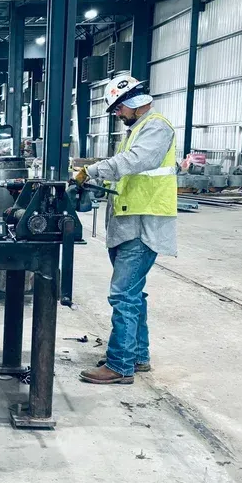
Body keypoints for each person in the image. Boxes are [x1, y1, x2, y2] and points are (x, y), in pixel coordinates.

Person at [74, 75, 177, 386]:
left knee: (122, 295)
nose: (117, 114)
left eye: (118, 108)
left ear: (131, 101)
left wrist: (91, 170)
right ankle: (137, 355)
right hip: (127, 221)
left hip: (144, 223)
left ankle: (120, 365)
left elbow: (135, 162)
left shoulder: (156, 127)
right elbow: (126, 172)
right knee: (133, 295)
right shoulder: (136, 130)